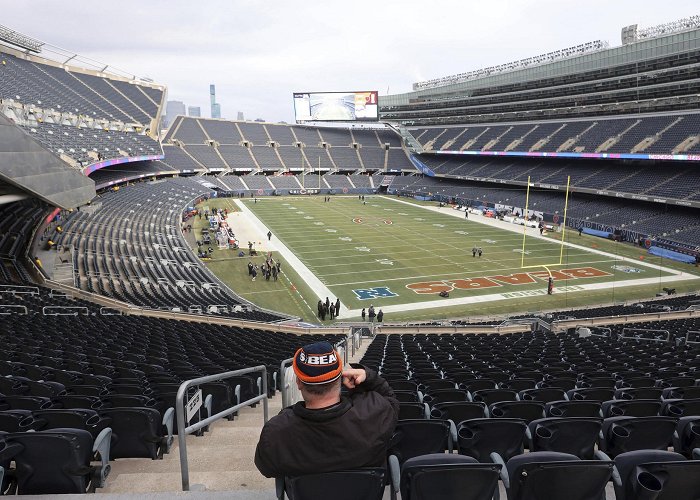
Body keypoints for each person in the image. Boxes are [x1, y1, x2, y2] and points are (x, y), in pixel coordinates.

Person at [254, 341, 399, 478]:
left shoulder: (276, 432)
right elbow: (391, 399)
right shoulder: (374, 414)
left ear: (298, 382)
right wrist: (368, 377)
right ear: (340, 378)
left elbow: (266, 467)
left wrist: (289, 413)